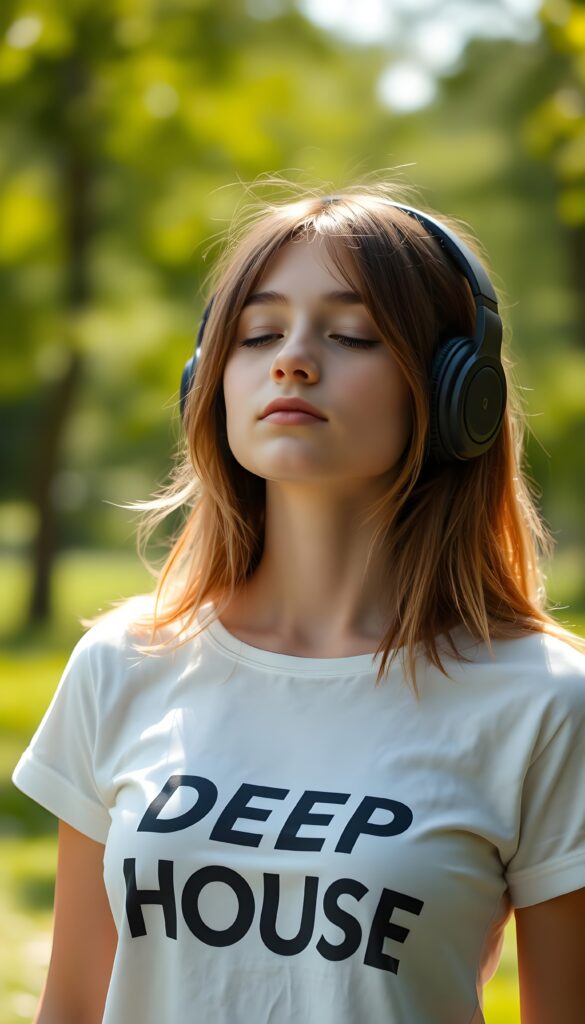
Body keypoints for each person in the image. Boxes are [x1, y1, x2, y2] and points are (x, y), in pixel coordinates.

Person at [12, 185, 585, 1024]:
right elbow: (68, 1004)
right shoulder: (123, 662)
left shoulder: (543, 702)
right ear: (208, 380)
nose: (292, 359)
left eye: (350, 333)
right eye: (258, 333)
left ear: (460, 393)